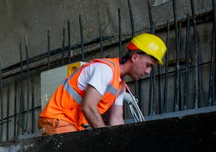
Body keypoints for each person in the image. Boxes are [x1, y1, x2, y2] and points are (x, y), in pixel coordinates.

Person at [37, 33, 166, 135]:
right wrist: (106, 140)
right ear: (135, 57)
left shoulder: (120, 86)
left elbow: (116, 120)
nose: (148, 71)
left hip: (72, 125)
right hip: (56, 119)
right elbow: (88, 107)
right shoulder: (105, 70)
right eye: (148, 65)